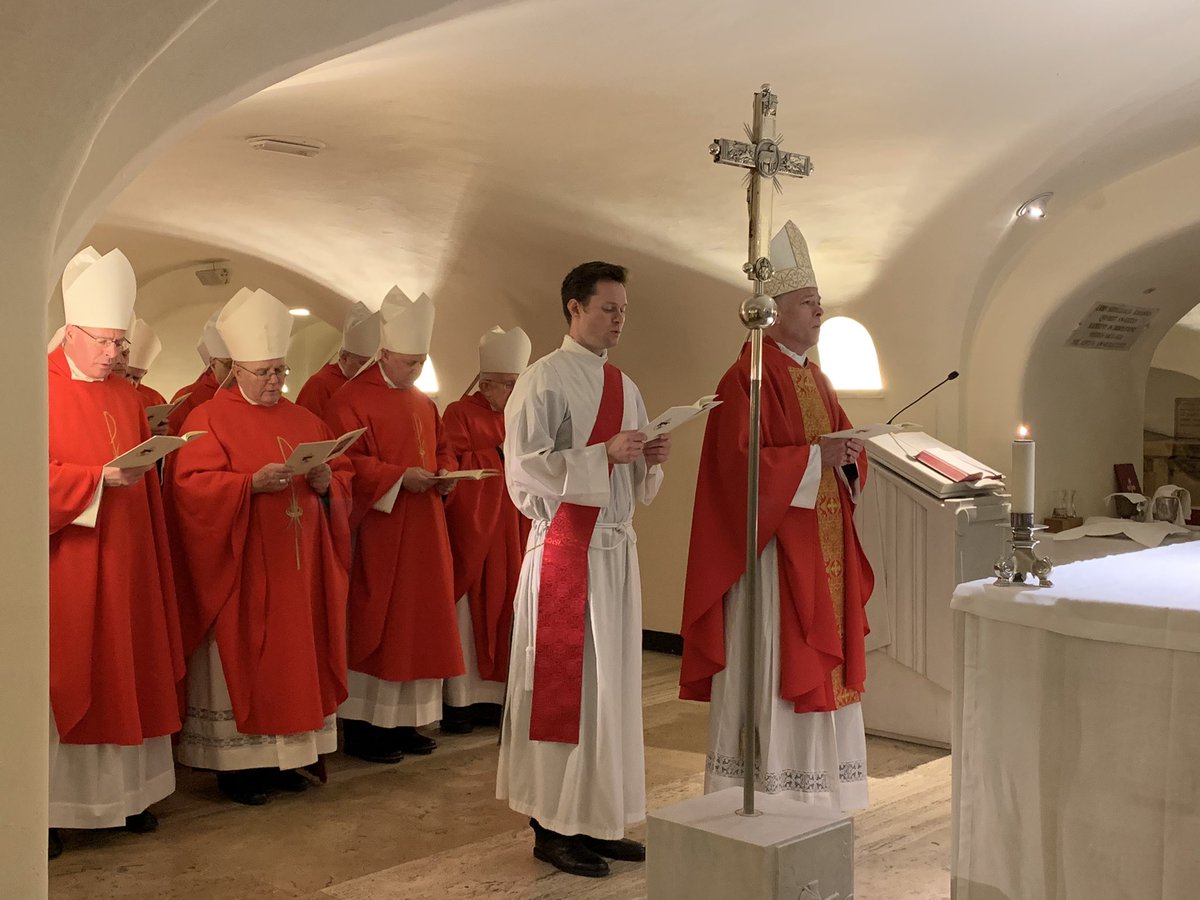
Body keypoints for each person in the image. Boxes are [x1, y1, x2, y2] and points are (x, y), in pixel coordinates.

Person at [679, 220, 875, 812]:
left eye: (819, 302)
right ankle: (774, 788)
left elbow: (839, 449)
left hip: (819, 544)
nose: (819, 312)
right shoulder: (747, 376)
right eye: (809, 302)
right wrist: (815, 459)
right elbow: (736, 468)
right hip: (772, 558)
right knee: (776, 660)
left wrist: (849, 457)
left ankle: (820, 787)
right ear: (775, 311)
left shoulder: (817, 377)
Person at [496, 261, 670, 879]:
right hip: (566, 555)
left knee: (609, 693)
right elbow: (524, 468)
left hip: (615, 555)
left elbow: (637, 480)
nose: (619, 320)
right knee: (564, 695)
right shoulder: (543, 378)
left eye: (624, 310)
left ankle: (597, 819)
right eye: (608, 309)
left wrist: (649, 457)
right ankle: (552, 826)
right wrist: (603, 454)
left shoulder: (624, 384)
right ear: (574, 308)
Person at [166, 287, 353, 805]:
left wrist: (327, 483)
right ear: (236, 371)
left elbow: (342, 472)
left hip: (300, 572)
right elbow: (190, 489)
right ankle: (240, 769)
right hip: (244, 571)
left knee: (295, 662)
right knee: (247, 660)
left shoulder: (304, 419)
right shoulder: (208, 419)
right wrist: (248, 486)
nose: (275, 381)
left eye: (280, 371)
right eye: (264, 372)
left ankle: (287, 759)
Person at [48, 247, 185, 858]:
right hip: (67, 561)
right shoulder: (31, 386)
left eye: (120, 343)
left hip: (126, 553)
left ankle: (128, 798)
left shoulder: (128, 398)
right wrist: (94, 480)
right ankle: (50, 811)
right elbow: (18, 475)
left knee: (128, 668)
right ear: (71, 332)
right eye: (103, 341)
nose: (113, 354)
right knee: (68, 673)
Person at [325, 287, 464, 763]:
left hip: (425, 528)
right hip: (380, 530)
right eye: (409, 362)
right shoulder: (349, 399)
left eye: (421, 361)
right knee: (381, 625)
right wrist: (400, 477)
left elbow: (442, 447)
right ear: (384, 354)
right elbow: (345, 463)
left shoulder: (423, 402)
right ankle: (367, 729)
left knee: (420, 626)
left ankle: (407, 722)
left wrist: (445, 473)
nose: (417, 370)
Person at [441, 326, 533, 733]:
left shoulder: (523, 413)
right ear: (485, 383)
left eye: (518, 383)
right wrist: (494, 456)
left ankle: (500, 701)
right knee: (469, 616)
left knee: (510, 607)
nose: (514, 392)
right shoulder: (459, 413)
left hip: (516, 527)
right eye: (508, 385)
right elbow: (452, 466)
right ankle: (462, 702)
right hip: (477, 531)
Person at [295, 301, 380, 419]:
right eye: (362, 363)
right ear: (344, 357)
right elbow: (307, 422)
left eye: (371, 364)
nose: (366, 370)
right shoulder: (319, 384)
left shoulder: (371, 382)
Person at [167, 311, 233, 434]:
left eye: (241, 365)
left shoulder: (255, 395)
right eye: (229, 366)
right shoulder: (187, 398)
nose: (236, 374)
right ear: (213, 364)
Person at [125, 318, 169, 435]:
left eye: (136, 378)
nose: (130, 382)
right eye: (126, 375)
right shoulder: (103, 394)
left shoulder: (154, 399)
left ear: (145, 373)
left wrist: (163, 431)